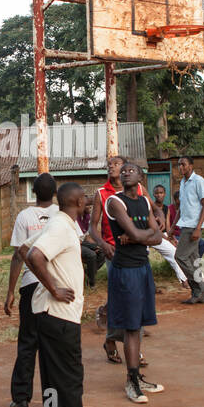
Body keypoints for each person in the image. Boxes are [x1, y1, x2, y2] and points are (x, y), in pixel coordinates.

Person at [23, 182, 113, 407]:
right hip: (59, 316)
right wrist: (53, 289)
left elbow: (25, 250)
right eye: (85, 200)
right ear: (77, 201)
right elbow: (33, 255)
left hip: (50, 316)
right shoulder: (61, 227)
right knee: (70, 382)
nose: (88, 203)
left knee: (52, 382)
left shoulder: (60, 224)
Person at [105, 162, 164, 403]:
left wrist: (137, 238)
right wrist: (141, 236)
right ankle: (131, 381)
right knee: (130, 327)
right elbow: (147, 234)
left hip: (142, 268)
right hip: (125, 270)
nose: (126, 172)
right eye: (124, 170)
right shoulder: (115, 202)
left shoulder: (143, 202)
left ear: (141, 177)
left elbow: (159, 237)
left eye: (132, 170)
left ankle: (137, 378)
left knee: (138, 325)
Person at [4, 173, 58, 407]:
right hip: (57, 286)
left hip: (31, 284)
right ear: (55, 192)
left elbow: (18, 256)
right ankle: (52, 403)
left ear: (34, 192)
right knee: (53, 348)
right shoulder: (62, 215)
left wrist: (10, 292)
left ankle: (21, 401)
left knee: (28, 342)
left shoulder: (24, 216)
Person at [88, 155, 128, 362]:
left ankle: (124, 342)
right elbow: (92, 227)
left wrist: (157, 221)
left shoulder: (137, 189)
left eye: (116, 164)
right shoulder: (101, 194)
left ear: (126, 168)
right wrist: (103, 245)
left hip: (136, 251)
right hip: (114, 251)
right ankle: (115, 341)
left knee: (134, 296)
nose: (111, 167)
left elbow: (152, 210)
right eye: (109, 165)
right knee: (121, 296)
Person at [174, 155, 204, 305]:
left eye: (183, 164)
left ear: (191, 166)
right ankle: (200, 294)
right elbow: (181, 208)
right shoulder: (183, 183)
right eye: (179, 165)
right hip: (185, 225)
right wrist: (171, 228)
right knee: (194, 261)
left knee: (180, 257)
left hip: (192, 226)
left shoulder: (198, 181)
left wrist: (198, 227)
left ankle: (199, 288)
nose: (181, 167)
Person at [148, 182, 187, 286]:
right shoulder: (151, 208)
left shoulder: (166, 208)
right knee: (143, 255)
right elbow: (154, 228)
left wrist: (172, 238)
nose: (159, 195)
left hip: (163, 234)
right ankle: (148, 284)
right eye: (157, 193)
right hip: (150, 234)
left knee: (174, 252)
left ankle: (183, 279)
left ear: (165, 194)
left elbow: (168, 226)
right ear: (153, 194)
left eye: (161, 193)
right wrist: (166, 238)